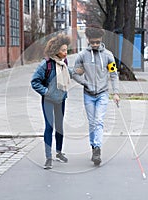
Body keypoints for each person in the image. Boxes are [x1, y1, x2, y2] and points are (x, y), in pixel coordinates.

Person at [72, 26, 120, 166]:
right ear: (88, 40)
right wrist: (84, 82)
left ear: (101, 40)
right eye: (92, 42)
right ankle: (93, 146)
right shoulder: (82, 55)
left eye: (97, 42)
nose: (95, 45)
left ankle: (97, 149)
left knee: (99, 121)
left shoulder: (108, 55)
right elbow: (75, 73)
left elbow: (113, 74)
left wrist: (116, 92)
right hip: (88, 94)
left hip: (102, 94)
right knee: (92, 123)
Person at [31, 34, 71, 169]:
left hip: (61, 99)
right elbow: (35, 82)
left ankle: (59, 152)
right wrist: (46, 92)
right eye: (63, 50)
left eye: (66, 50)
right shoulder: (46, 64)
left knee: (59, 127)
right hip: (48, 100)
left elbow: (67, 74)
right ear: (55, 50)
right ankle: (48, 157)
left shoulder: (64, 63)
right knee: (49, 127)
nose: (66, 53)